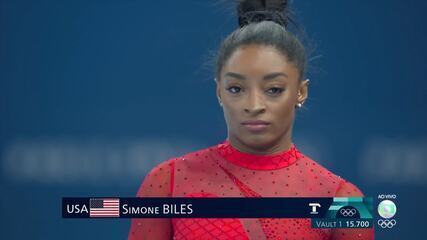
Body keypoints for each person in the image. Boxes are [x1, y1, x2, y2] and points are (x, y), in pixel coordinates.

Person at [128, 0, 374, 239]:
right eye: (236, 89)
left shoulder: (344, 201)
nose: (254, 106)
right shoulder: (168, 182)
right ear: (219, 92)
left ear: (301, 92)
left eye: (274, 89)